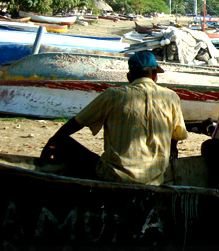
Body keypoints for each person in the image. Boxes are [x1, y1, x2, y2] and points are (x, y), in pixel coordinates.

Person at [40, 51, 188, 185]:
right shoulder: (171, 97)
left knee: (61, 142)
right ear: (155, 76)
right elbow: (176, 137)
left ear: (129, 77)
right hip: (154, 180)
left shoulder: (113, 95)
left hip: (113, 177)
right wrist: (170, 153)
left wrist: (52, 142)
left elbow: (77, 122)